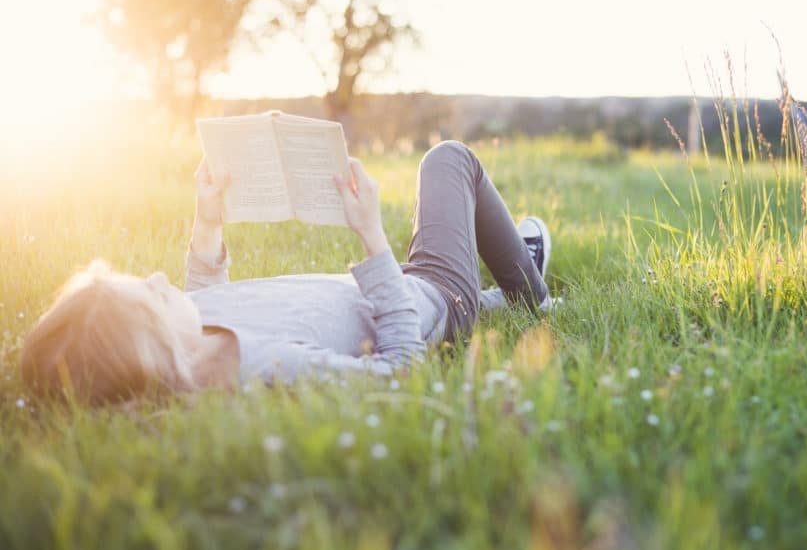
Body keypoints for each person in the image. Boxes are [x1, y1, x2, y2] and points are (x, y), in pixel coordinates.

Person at [20, 140, 553, 404]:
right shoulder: (261, 366)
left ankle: (500, 287)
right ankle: (530, 292)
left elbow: (207, 303)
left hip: (383, 290)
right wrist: (370, 234)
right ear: (158, 353)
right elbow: (401, 373)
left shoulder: (193, 342)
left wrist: (207, 223)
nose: (159, 282)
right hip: (429, 299)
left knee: (452, 217)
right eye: (153, 299)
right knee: (448, 159)